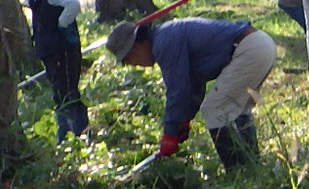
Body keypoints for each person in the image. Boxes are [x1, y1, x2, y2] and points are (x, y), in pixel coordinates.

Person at [105, 14, 277, 169]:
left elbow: (177, 91)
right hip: (259, 43)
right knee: (238, 110)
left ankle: (236, 170)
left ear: (135, 47)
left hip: (248, 49)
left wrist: (170, 133)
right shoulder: (166, 35)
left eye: (130, 60)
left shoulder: (164, 43)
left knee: (213, 110)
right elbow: (193, 85)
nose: (135, 65)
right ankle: (252, 166)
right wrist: (185, 118)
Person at [2, 0, 87, 136]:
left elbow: (72, 5)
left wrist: (60, 24)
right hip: (51, 54)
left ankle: (76, 134)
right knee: (60, 94)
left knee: (67, 94)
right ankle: (67, 135)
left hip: (63, 50)